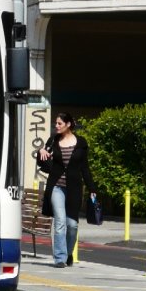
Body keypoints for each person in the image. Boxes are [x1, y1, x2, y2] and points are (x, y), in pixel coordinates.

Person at [37, 112, 97, 268]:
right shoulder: (52, 141)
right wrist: (41, 153)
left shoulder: (81, 143)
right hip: (56, 187)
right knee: (60, 222)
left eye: (59, 124)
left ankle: (68, 253)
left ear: (68, 124)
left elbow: (84, 167)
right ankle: (59, 258)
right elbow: (44, 165)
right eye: (55, 123)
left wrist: (92, 188)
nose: (56, 126)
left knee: (72, 225)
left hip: (74, 188)